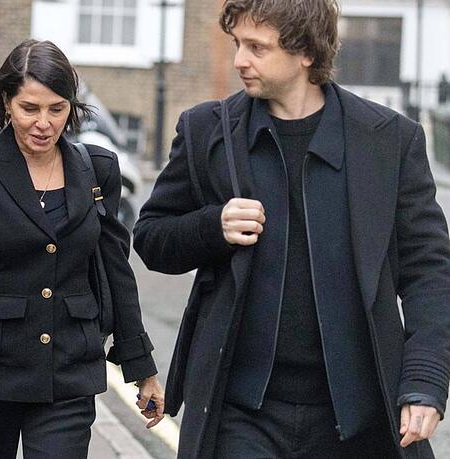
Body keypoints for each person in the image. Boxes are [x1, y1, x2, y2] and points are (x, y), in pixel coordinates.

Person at [133, 0, 450, 457]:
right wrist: (212, 226)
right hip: (239, 413)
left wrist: (423, 380)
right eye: (238, 43)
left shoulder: (388, 140)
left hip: (358, 416)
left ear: (304, 51)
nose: (240, 59)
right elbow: (152, 238)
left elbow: (429, 273)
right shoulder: (206, 130)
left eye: (257, 47)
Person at [0, 39, 164, 457]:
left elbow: (116, 271)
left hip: (68, 372)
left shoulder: (97, 168)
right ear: (7, 103)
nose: (44, 123)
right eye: (30, 108)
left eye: (57, 109)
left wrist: (142, 368)